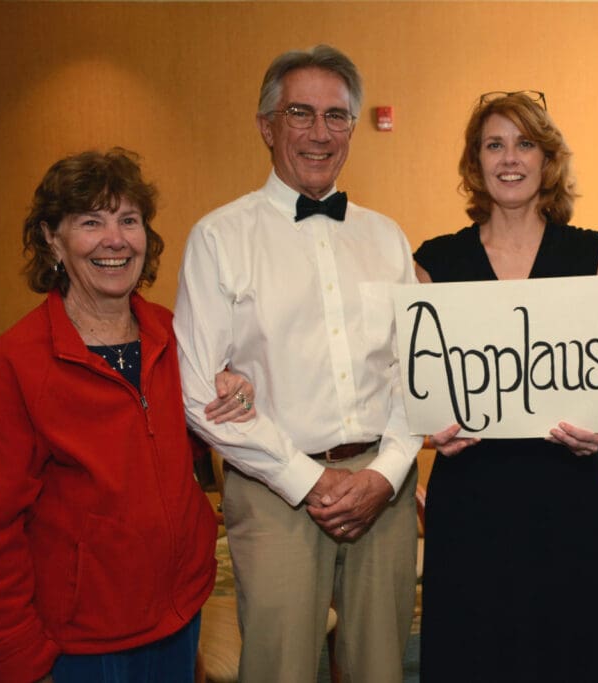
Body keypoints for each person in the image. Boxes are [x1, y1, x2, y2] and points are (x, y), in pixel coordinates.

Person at [173, 45, 421, 683]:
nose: (320, 133)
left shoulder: (386, 237)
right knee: (279, 669)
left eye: (336, 117)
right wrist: (307, 480)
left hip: (382, 493)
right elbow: (198, 391)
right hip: (275, 489)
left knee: (382, 669)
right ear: (266, 126)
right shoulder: (219, 238)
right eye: (300, 113)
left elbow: (417, 373)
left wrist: (387, 472)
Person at [0, 148, 257, 683]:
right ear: (53, 238)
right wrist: (18, 659)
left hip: (179, 613)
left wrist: (234, 390)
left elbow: (183, 444)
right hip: (80, 643)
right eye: (90, 222)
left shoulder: (173, 333)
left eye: (128, 220)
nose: (115, 239)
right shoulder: (18, 359)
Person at [413, 90, 598, 682]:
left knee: (573, 653)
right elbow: (416, 391)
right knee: (477, 655)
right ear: (475, 162)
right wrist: (429, 435)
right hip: (473, 495)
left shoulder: (595, 254)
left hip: (566, 493)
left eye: (525, 144)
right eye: (494, 144)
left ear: (547, 159)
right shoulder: (433, 263)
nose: (510, 158)